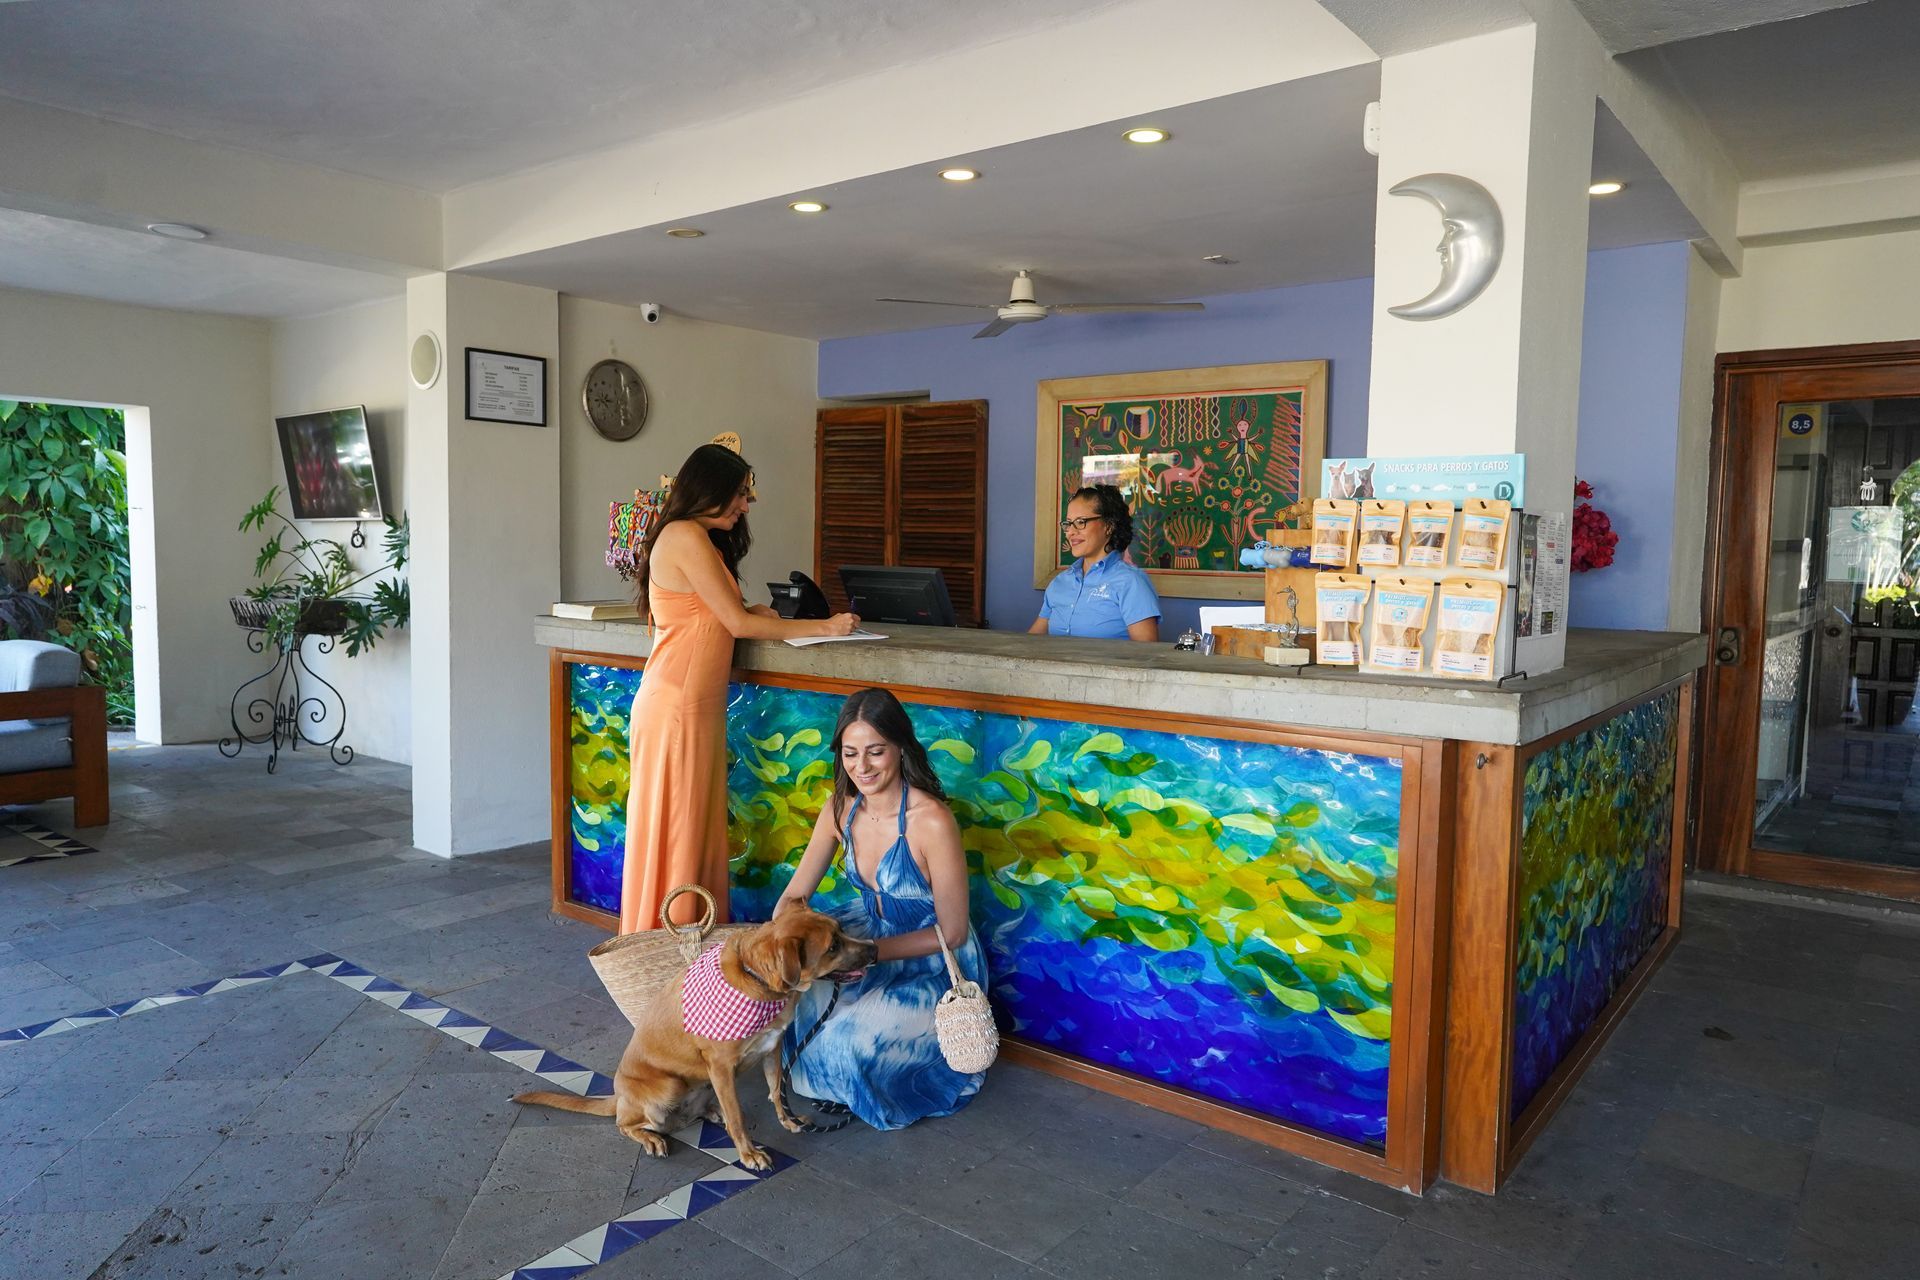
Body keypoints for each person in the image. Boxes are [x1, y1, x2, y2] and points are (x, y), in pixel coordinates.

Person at [621, 443, 858, 933]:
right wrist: (826, 627)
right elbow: (733, 623)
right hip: (678, 706)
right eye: (740, 495)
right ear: (709, 490)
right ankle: (669, 955)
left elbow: (717, 617)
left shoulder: (693, 536)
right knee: (680, 832)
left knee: (691, 832)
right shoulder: (685, 535)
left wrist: (760, 613)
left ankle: (689, 950)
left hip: (691, 705)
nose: (746, 506)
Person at [775, 687, 987, 1129]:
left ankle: (873, 1080)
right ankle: (840, 1084)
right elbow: (796, 896)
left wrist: (868, 954)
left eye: (875, 751)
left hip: (930, 956)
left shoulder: (932, 820)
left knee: (846, 1040)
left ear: (900, 748)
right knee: (802, 999)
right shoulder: (838, 808)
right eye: (850, 754)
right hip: (863, 929)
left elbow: (953, 932)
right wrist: (773, 938)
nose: (862, 767)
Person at [1029, 483, 1161, 640]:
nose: (1071, 532)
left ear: (1108, 526)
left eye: (1081, 522)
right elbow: (1032, 643)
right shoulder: (1060, 582)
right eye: (1068, 523)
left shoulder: (1131, 582)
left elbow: (1146, 655)